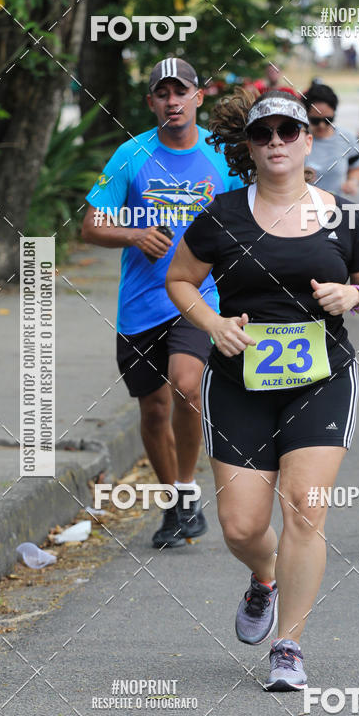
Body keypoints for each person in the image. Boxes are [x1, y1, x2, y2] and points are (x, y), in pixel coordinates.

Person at [166, 89, 359, 689]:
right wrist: (213, 324)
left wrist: (354, 296)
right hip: (238, 380)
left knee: (304, 510)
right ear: (251, 146)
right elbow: (180, 279)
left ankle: (288, 645)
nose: (276, 143)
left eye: (288, 132)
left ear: (307, 140)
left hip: (321, 378)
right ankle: (265, 578)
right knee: (241, 526)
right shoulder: (222, 215)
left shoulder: (343, 215)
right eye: (263, 134)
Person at [81, 57, 240, 549]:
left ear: (198, 97)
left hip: (198, 295)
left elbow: (253, 210)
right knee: (152, 410)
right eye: (163, 93)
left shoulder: (221, 155)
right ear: (151, 101)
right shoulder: (130, 156)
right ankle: (175, 501)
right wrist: (134, 235)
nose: (173, 101)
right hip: (141, 303)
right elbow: (91, 226)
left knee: (187, 387)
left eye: (181, 92)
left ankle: (187, 487)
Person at [304, 82, 359, 199]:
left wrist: (352, 181)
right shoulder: (295, 139)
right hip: (302, 205)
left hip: (335, 205)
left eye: (328, 120)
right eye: (315, 120)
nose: (321, 125)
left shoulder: (347, 138)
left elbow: (356, 167)